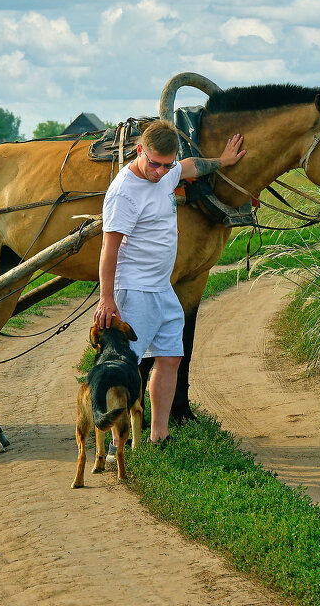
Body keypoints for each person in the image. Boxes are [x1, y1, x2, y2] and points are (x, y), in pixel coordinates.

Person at [94, 120, 244, 454]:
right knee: (126, 365)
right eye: (154, 163)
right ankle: (117, 442)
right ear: (139, 151)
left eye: (167, 164)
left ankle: (158, 435)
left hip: (163, 289)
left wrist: (223, 161)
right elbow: (110, 248)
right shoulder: (124, 191)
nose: (161, 171)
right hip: (135, 291)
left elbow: (189, 166)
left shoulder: (166, 172)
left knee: (171, 357)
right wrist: (107, 299)